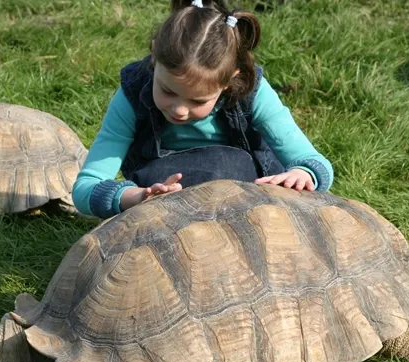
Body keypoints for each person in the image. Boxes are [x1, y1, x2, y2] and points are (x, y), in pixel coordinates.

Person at [72, 0, 334, 219]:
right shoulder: (132, 94)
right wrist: (137, 197)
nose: (180, 110)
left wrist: (302, 175)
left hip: (251, 207)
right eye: (168, 91)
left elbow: (316, 164)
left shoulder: (254, 93)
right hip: (167, 212)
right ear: (154, 55)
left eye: (198, 101)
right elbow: (86, 188)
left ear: (231, 79)